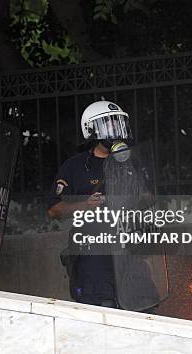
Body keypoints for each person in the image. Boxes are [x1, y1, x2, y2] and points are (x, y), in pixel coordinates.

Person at [48, 100, 133, 308]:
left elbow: (148, 196)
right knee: (104, 307)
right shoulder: (75, 166)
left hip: (126, 250)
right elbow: (54, 210)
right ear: (92, 129)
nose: (116, 131)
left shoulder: (129, 163)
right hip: (93, 254)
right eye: (109, 125)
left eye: (118, 124)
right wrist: (84, 205)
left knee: (141, 307)